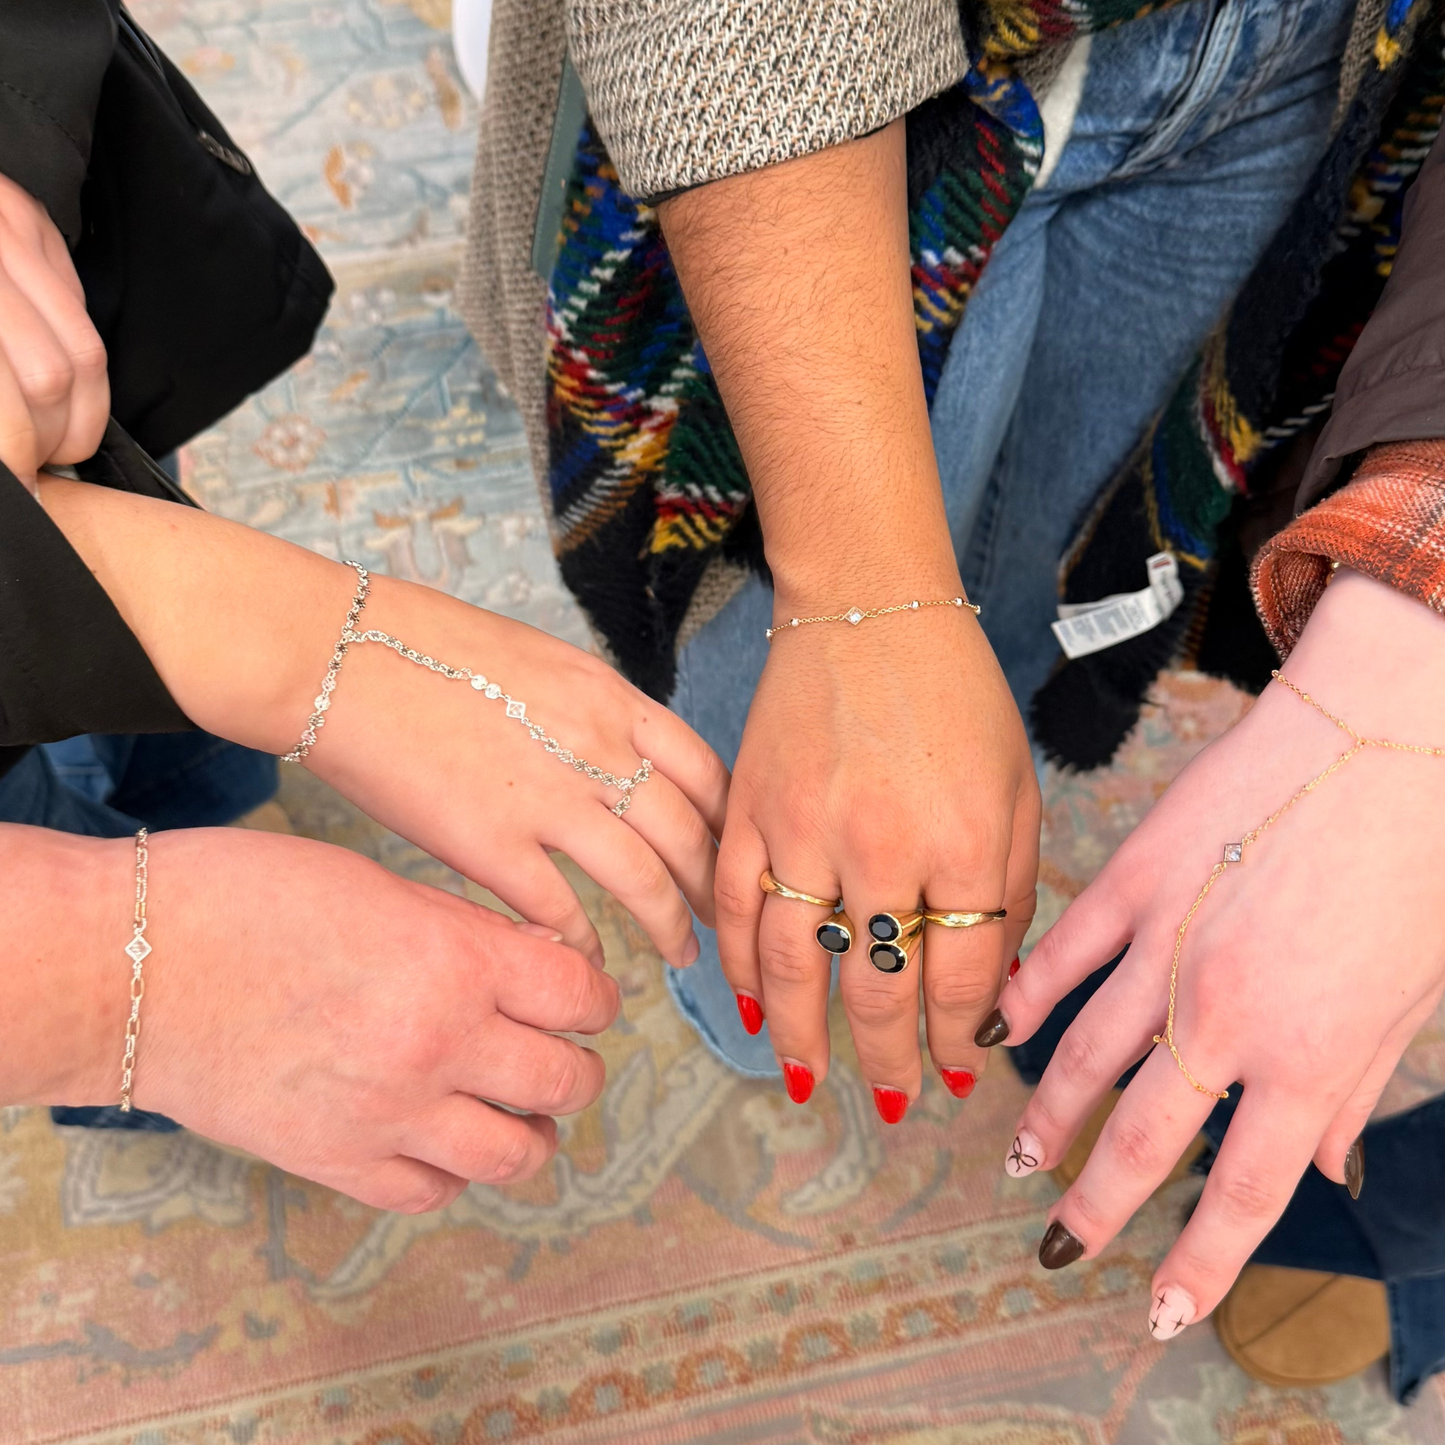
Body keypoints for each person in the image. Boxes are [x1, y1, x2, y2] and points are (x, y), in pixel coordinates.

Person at [463, 0, 1445, 1397]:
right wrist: (861, 587)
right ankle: (739, 981)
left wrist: (1420, 634)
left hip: (1319, 66)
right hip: (867, 66)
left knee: (1042, 582)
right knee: (776, 659)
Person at [0, 2, 728, 1208]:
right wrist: (123, 986)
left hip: (66, 386)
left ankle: (203, 815)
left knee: (183, 745)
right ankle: (124, 1054)